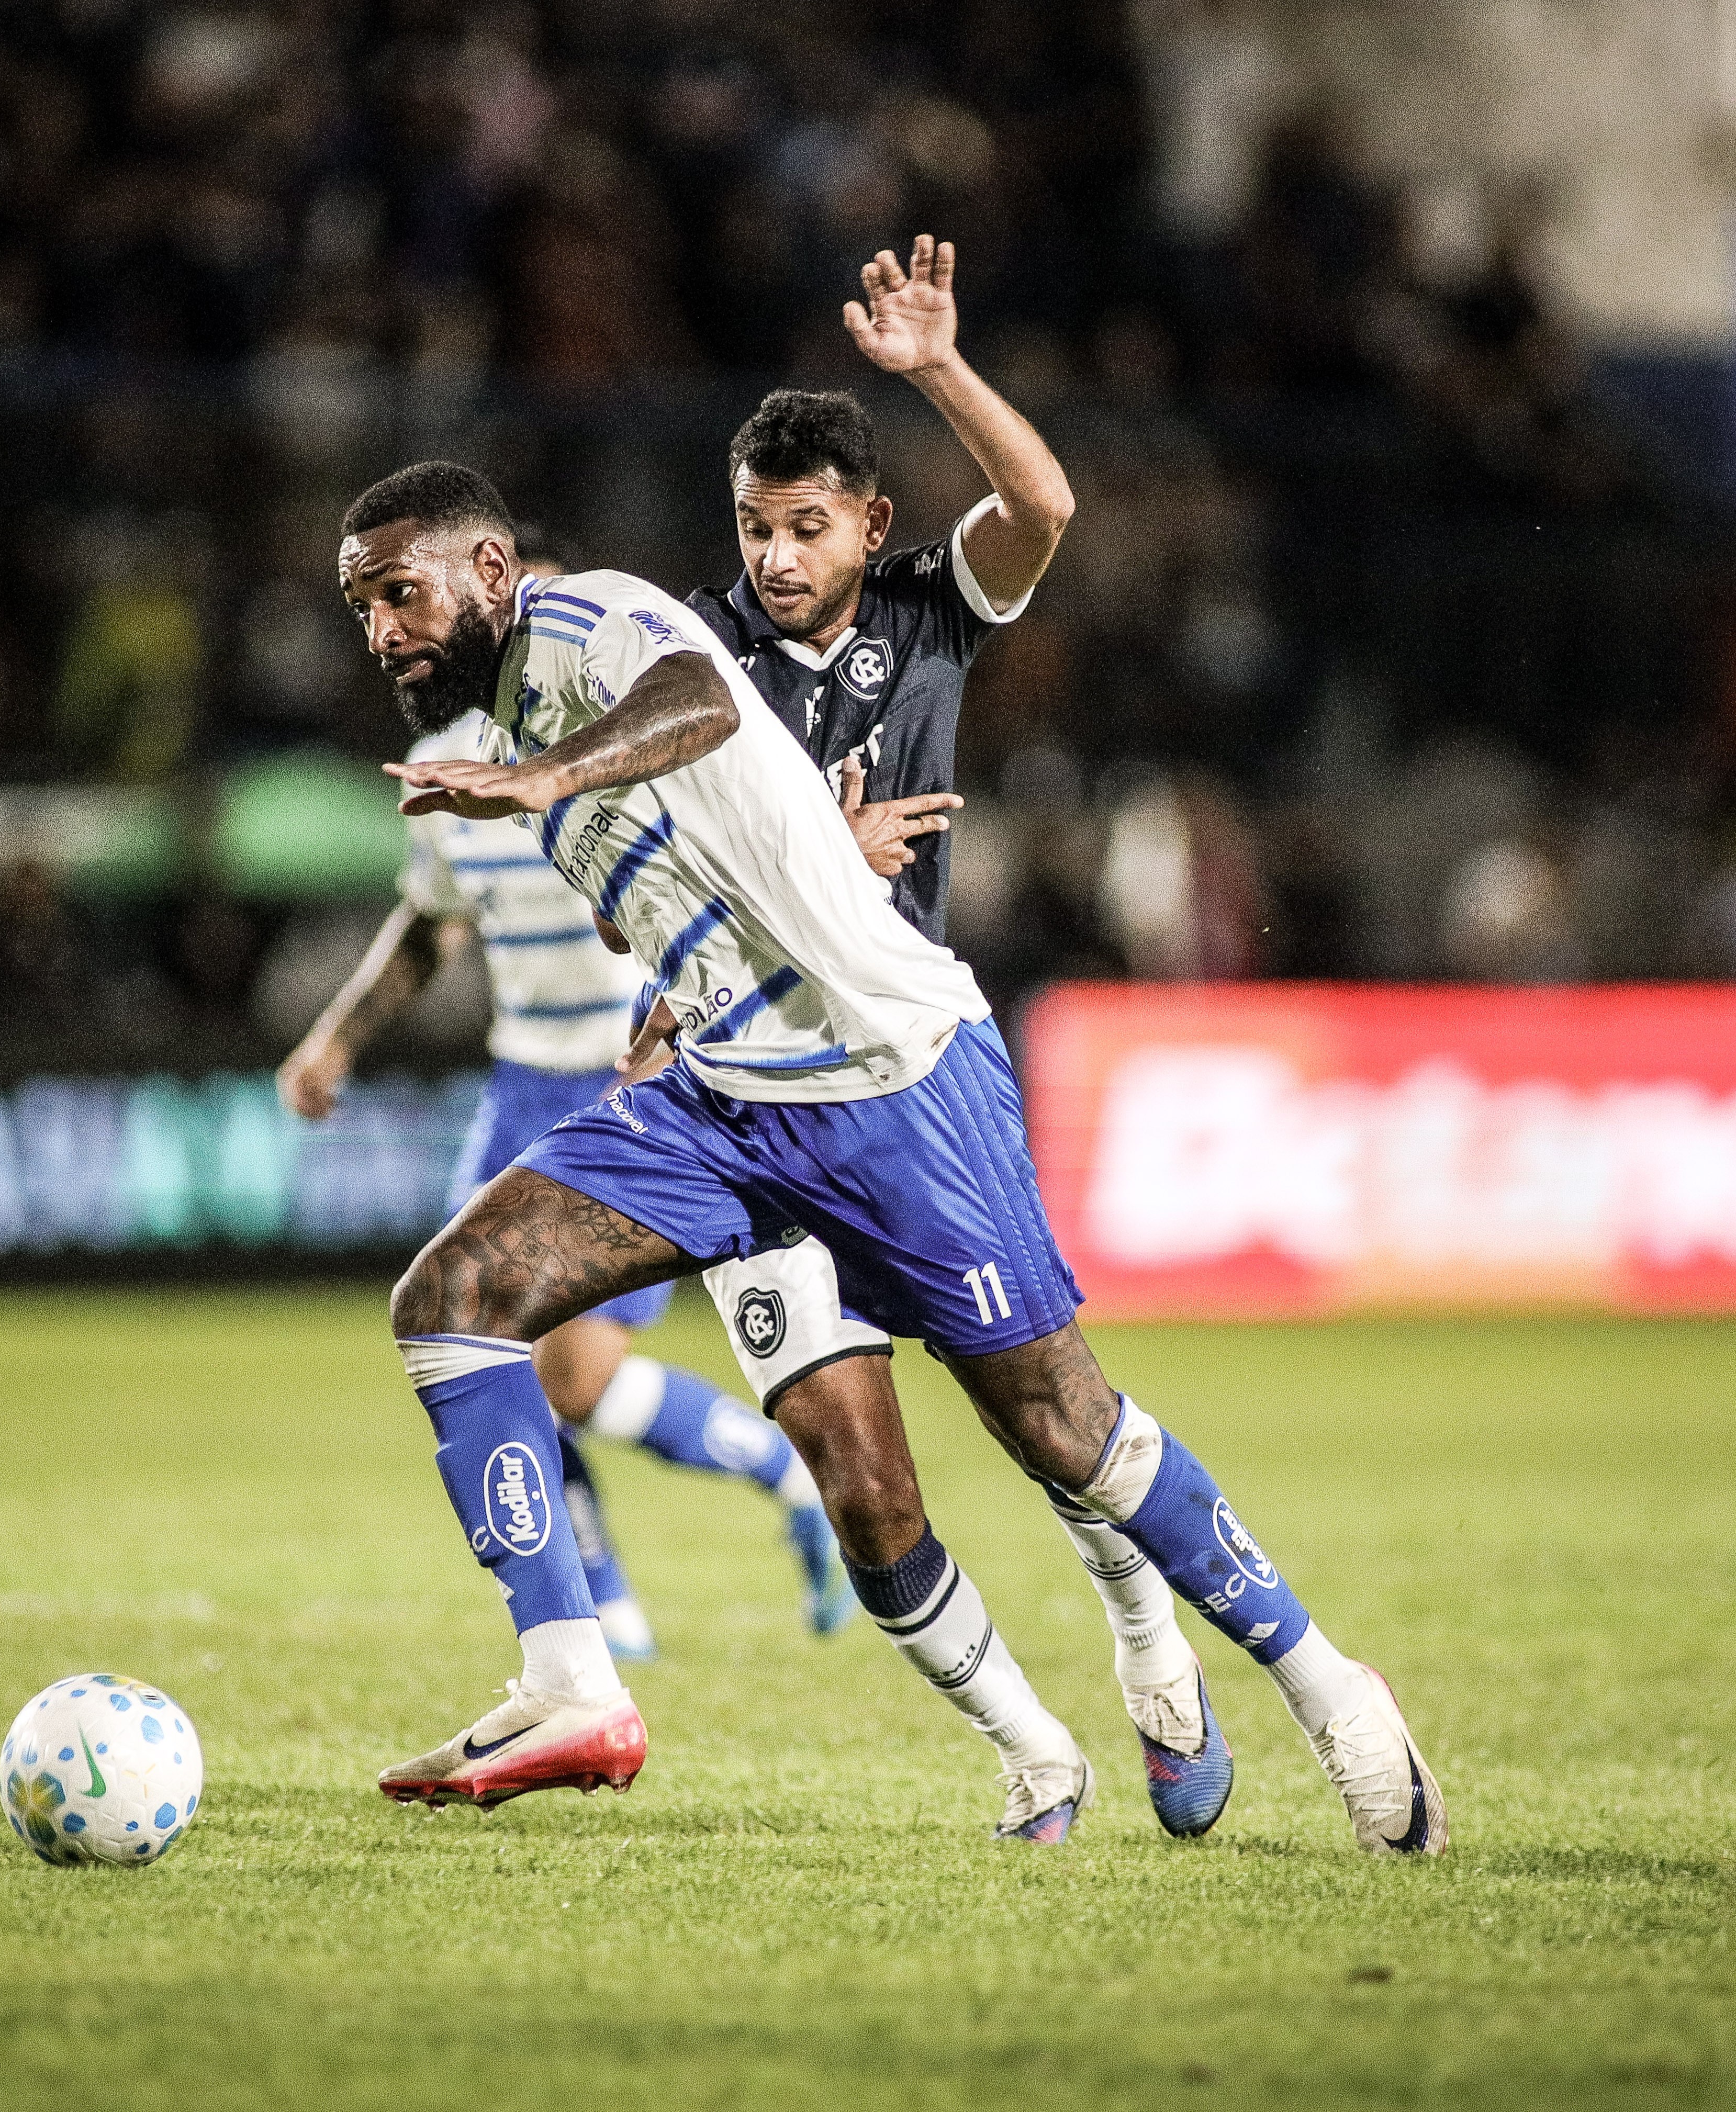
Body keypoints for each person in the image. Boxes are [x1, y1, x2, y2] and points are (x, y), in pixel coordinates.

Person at [336, 456, 1447, 1858]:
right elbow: (694, 857)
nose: (381, 632)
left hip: (890, 1079)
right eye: (363, 607)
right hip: (723, 1101)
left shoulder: (586, 627)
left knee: (1064, 1432)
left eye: (398, 592)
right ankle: (571, 1684)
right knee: (453, 1301)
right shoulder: (497, 739)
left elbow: (687, 699)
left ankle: (1326, 1684)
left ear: (489, 569)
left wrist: (551, 775)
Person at [670, 237, 1236, 1840]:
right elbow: (647, 877)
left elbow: (1046, 508)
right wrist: (800, 865)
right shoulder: (691, 671)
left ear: (871, 523)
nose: (775, 560)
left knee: (1052, 1424)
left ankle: (1146, 1637)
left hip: (917, 1093)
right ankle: (1029, 1748)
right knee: (858, 1482)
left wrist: (934, 371)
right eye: (752, 530)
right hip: (746, 1112)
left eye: (804, 527)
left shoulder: (926, 614)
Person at [278, 542, 853, 1661]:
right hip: (515, 1084)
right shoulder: (443, 762)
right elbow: (429, 919)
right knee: (485, 1344)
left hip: (623, 1077)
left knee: (575, 1375)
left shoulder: (614, 740)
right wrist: (334, 1037)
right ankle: (599, 1602)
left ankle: (779, 1467)